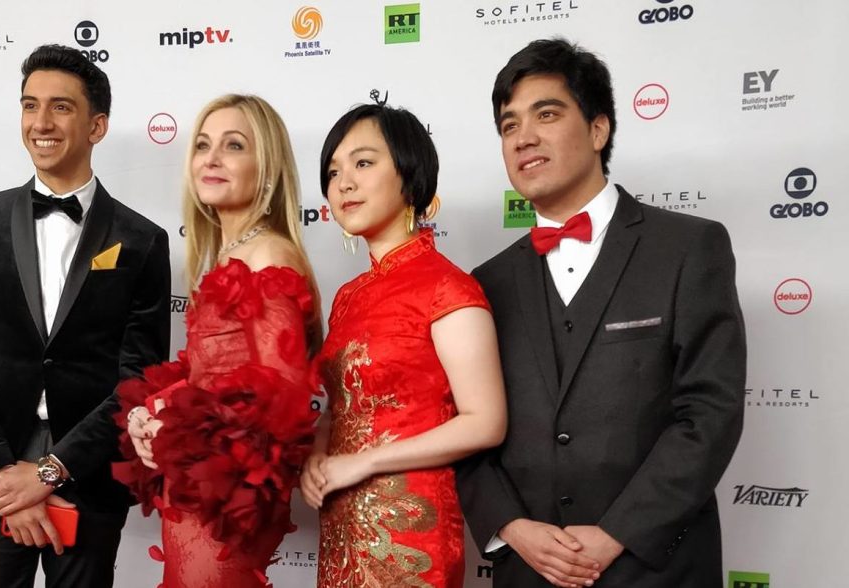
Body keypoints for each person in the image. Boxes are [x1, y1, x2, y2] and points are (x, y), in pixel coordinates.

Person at [456, 38, 746, 588]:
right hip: (528, 571)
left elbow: (710, 412)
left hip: (657, 568)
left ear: (598, 129)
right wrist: (511, 527)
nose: (524, 137)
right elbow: (466, 428)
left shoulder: (688, 248)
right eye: (509, 125)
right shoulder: (483, 283)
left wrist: (618, 533)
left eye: (546, 114)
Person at [0, 44, 171, 588]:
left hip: (88, 466)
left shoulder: (142, 240)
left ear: (97, 126)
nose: (40, 122)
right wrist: (2, 475)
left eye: (61, 107)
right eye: (29, 105)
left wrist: (51, 470)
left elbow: (139, 378)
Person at [115, 94, 322, 587]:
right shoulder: (232, 253)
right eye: (203, 145)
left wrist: (173, 425)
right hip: (195, 493)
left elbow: (278, 408)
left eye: (233, 145)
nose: (211, 158)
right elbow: (206, 377)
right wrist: (149, 412)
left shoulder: (268, 255)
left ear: (267, 168)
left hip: (225, 506)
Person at [302, 103, 508, 588]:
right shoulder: (348, 297)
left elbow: (486, 422)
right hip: (341, 523)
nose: (344, 183)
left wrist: (364, 462)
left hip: (409, 532)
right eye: (333, 172)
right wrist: (317, 454)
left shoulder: (447, 287)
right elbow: (341, 405)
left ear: (410, 175)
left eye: (363, 162)